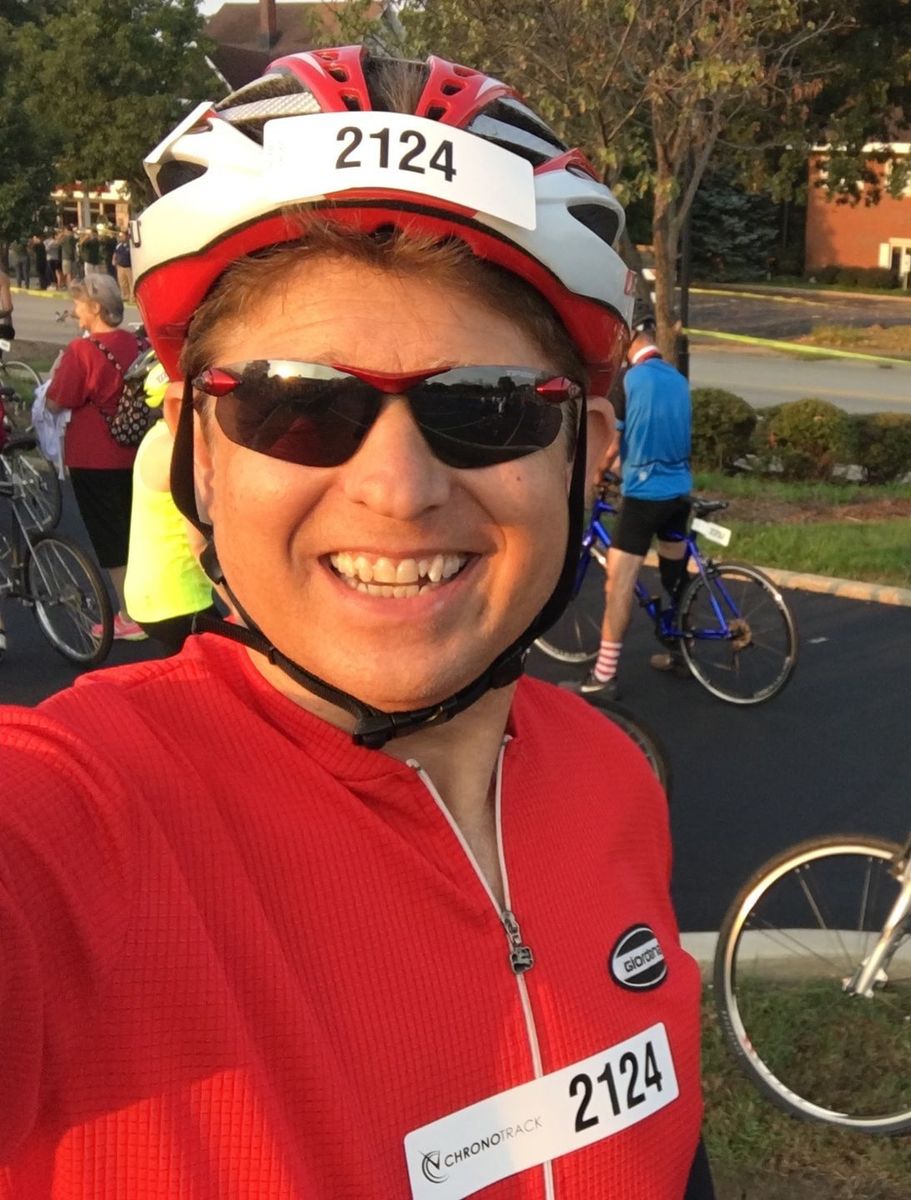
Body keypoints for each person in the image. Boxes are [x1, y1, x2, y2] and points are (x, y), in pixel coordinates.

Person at [0, 48, 713, 1197]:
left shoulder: (611, 778)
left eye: (484, 407)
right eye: (296, 404)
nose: (398, 489)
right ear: (198, 456)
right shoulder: (79, 821)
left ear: (587, 457)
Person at [568, 316, 693, 696]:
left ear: (631, 339)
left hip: (644, 498)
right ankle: (682, 652)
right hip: (679, 494)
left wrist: (596, 473)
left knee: (618, 583)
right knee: (674, 578)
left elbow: (611, 443)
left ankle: (604, 676)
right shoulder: (677, 379)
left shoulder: (629, 380)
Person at [43, 271, 146, 640]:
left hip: (93, 455)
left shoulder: (82, 351)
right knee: (136, 529)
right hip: (133, 448)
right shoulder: (133, 343)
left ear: (95, 308)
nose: (75, 311)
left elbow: (57, 401)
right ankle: (148, 604)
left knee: (109, 535)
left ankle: (129, 615)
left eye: (79, 304)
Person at [121, 352, 214, 651]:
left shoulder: (157, 437)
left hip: (151, 596)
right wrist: (240, 607)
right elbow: (199, 543)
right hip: (180, 598)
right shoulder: (178, 451)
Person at [113, 227, 134, 297]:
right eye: (120, 236)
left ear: (127, 236)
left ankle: (132, 296)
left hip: (128, 266)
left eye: (123, 235)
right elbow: (115, 253)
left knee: (130, 282)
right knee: (122, 282)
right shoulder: (119, 245)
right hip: (120, 266)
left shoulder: (130, 244)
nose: (121, 237)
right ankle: (125, 295)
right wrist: (114, 260)